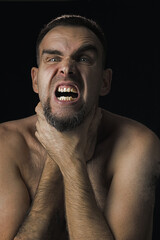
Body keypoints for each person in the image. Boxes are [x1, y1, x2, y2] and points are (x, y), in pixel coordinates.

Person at [0, 14, 159, 240]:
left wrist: (70, 161)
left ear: (105, 82)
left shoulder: (137, 144)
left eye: (84, 59)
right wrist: (57, 159)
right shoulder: (4, 143)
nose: (67, 67)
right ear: (35, 81)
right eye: (53, 58)